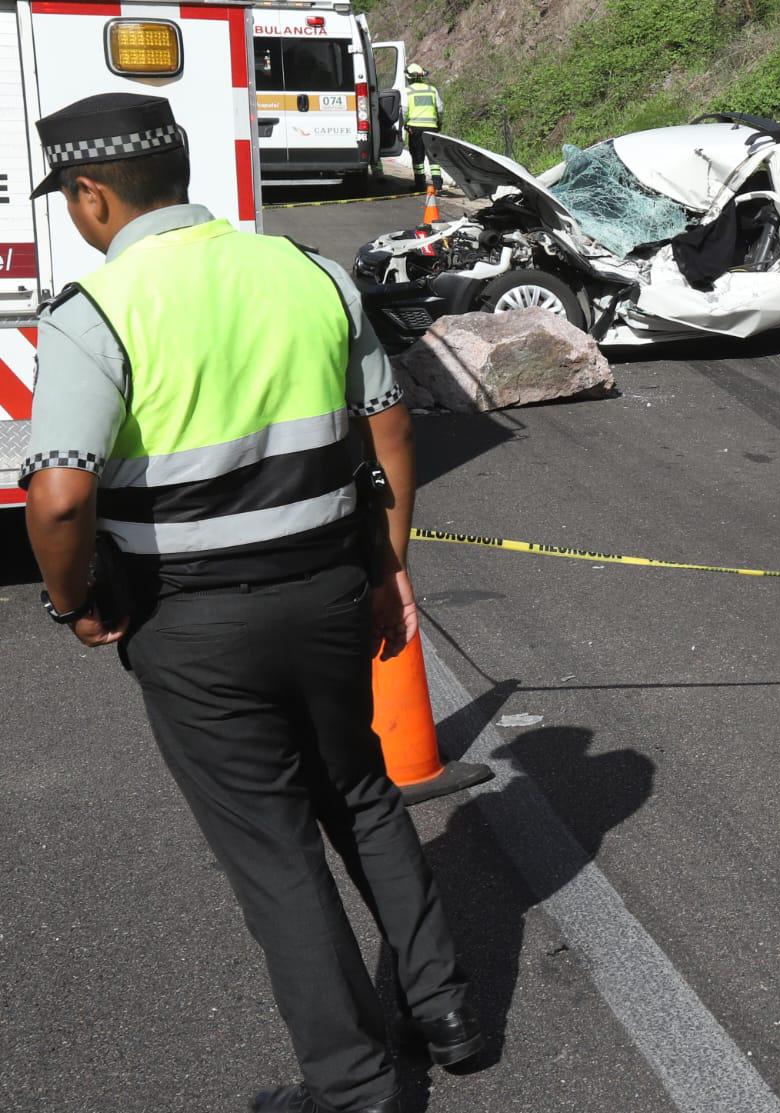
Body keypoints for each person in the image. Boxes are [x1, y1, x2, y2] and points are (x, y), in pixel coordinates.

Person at [22, 92, 481, 1113]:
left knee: (274, 852)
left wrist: (73, 604)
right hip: (324, 589)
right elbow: (390, 430)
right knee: (358, 795)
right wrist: (387, 566)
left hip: (191, 620)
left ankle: (354, 1084)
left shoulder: (96, 310)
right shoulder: (308, 272)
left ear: (91, 194)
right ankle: (446, 1010)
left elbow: (57, 493)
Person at [403, 62, 444, 190]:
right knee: (433, 156)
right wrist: (439, 122)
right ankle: (437, 184)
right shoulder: (432, 90)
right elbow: (440, 109)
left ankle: (420, 184)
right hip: (432, 128)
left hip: (414, 128)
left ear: (408, 78)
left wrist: (404, 124)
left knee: (417, 156)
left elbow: (404, 111)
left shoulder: (407, 92)